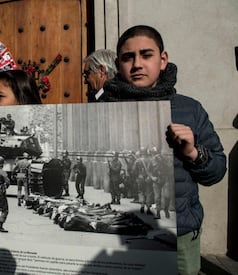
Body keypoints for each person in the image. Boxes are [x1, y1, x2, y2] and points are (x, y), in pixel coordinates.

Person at [102, 25, 227, 275]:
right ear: (118, 64)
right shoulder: (100, 110)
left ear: (162, 59)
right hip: (119, 235)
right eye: (128, 57)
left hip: (179, 235)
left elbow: (216, 172)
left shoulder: (189, 109)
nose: (137, 64)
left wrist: (193, 152)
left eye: (146, 55)